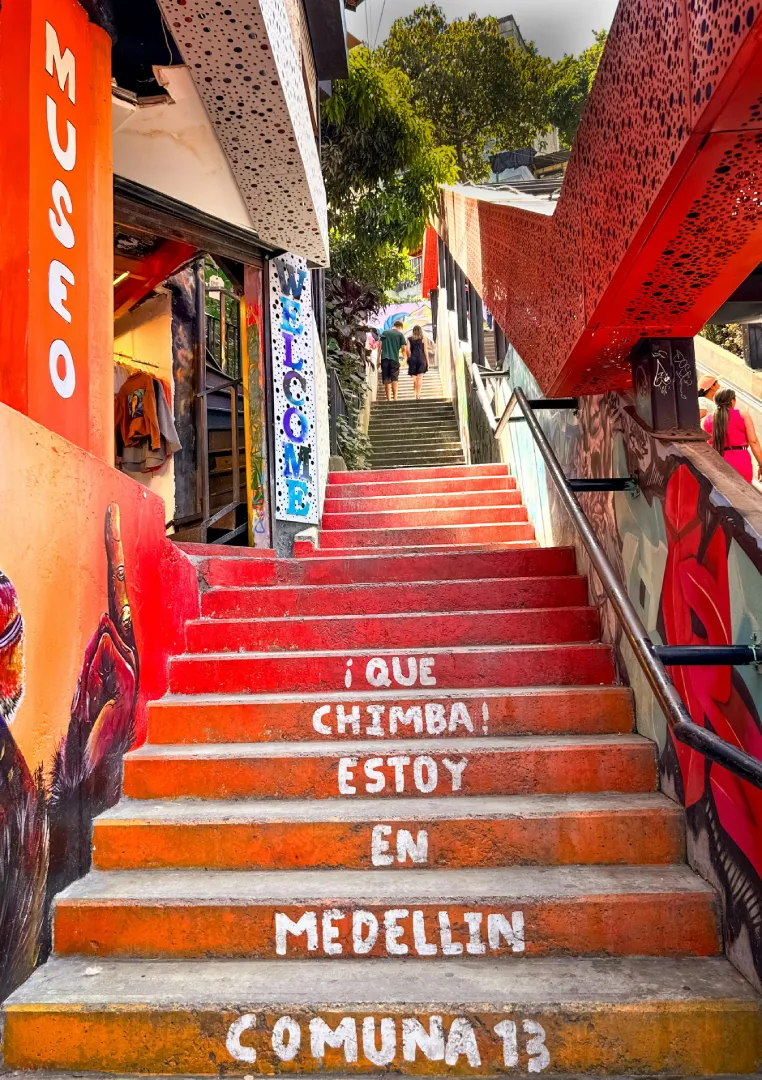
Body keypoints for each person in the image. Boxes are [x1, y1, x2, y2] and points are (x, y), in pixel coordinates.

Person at [703, 388, 762, 484]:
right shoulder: (742, 414)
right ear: (732, 401)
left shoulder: (706, 420)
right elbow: (753, 441)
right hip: (740, 461)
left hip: (717, 461)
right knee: (744, 494)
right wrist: (761, 464)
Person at [379, 320, 408, 401]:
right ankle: (395, 399)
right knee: (394, 379)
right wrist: (406, 360)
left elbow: (380, 347)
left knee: (386, 380)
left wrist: (378, 359)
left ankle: (389, 400)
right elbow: (403, 349)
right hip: (394, 359)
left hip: (384, 359)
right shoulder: (400, 334)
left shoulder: (384, 332)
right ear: (400, 327)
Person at [407, 324, 429, 400]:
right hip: (421, 359)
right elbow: (425, 351)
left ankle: (415, 393)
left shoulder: (409, 339)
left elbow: (407, 350)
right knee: (420, 378)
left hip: (413, 360)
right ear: (420, 331)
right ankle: (418, 395)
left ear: (413, 331)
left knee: (415, 379)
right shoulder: (423, 339)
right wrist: (427, 362)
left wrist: (409, 358)